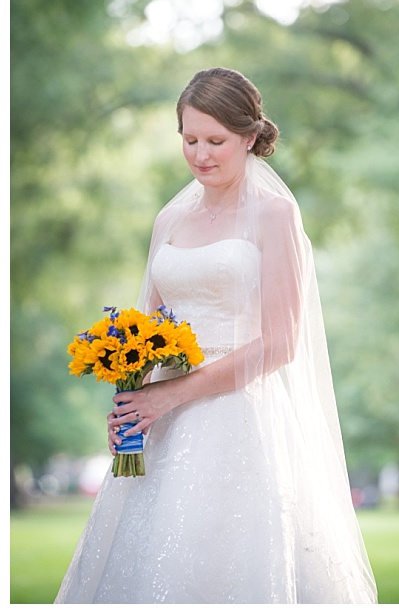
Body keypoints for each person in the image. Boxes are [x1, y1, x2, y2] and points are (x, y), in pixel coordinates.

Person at [56, 68, 377, 603]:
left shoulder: (276, 216)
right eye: (189, 140)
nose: (201, 155)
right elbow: (146, 331)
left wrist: (171, 394)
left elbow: (280, 343)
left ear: (250, 137)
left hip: (239, 419)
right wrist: (131, 405)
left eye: (215, 141)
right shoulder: (170, 220)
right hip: (159, 426)